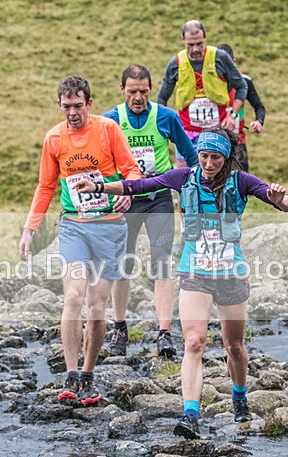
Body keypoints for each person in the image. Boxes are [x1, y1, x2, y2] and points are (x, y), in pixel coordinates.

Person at [74, 128, 288, 439]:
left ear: (226, 157)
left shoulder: (241, 181)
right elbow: (138, 186)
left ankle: (239, 393)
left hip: (231, 273)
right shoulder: (183, 178)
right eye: (203, 156)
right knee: (194, 342)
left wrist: (279, 199)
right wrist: (99, 186)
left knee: (234, 346)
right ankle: (190, 414)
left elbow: (287, 203)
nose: (208, 163)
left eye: (215, 157)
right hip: (195, 272)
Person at [18, 75, 142, 406]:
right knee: (73, 297)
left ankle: (88, 374)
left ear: (89, 103)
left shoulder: (107, 130)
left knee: (96, 305)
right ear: (59, 105)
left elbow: (132, 171)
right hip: (73, 225)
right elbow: (45, 186)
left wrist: (126, 194)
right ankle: (71, 374)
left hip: (110, 226)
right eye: (66, 107)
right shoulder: (54, 139)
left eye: (77, 106)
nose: (72, 113)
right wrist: (30, 229)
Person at [102, 64, 199, 359]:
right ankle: (119, 328)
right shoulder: (111, 121)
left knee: (162, 262)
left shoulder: (166, 117)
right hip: (126, 201)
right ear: (123, 90)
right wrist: (111, 191)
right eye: (132, 92)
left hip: (158, 199)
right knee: (122, 265)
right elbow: (102, 164)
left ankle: (164, 333)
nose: (138, 97)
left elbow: (191, 157)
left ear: (150, 89)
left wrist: (191, 190)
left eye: (144, 91)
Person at [156, 20, 247, 168]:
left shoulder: (220, 57)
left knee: (219, 177)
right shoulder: (176, 63)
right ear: (183, 40)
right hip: (187, 133)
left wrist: (233, 116)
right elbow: (161, 99)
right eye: (190, 45)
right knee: (186, 178)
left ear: (205, 38)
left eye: (199, 44)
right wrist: (165, 127)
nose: (195, 49)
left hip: (217, 130)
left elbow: (241, 86)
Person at [216, 44, 266, 172]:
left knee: (241, 185)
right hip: (215, 143)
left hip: (238, 143)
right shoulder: (209, 82)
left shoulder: (245, 81)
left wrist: (258, 122)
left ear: (234, 61)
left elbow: (259, 107)